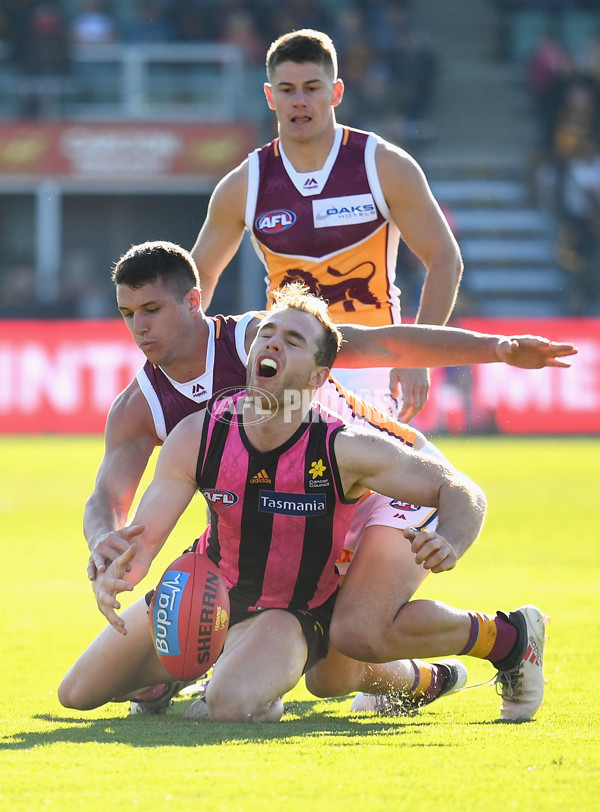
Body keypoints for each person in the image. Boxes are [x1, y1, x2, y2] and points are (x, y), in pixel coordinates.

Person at [63, 241, 573, 720]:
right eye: (128, 315)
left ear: (194, 301)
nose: (139, 328)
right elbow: (110, 496)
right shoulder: (142, 406)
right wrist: (105, 544)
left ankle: (508, 638)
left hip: (374, 481)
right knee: (331, 672)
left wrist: (498, 349)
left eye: (151, 310)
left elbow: (386, 345)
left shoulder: (263, 336)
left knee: (357, 630)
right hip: (292, 497)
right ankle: (407, 680)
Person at [190, 28, 463, 423]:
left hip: (370, 375)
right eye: (286, 90)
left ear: (336, 92)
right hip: (284, 374)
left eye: (311, 88)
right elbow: (199, 282)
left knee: (417, 486)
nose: (299, 101)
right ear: (270, 96)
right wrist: (197, 366)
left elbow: (445, 259)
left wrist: (417, 354)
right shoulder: (244, 183)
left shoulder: (383, 165)